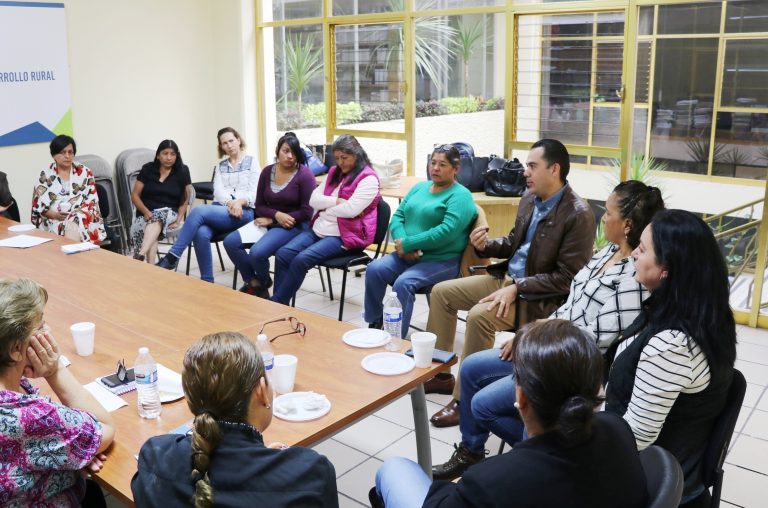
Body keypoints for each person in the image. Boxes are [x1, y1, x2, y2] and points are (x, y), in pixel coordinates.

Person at [431, 180, 665, 479]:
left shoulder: (634, 276)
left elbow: (596, 338)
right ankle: (471, 451)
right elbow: (573, 299)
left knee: (482, 405)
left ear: (628, 224)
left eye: (608, 213)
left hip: (565, 363)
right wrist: (535, 332)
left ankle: (550, 459)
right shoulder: (606, 252)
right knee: (472, 368)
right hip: (550, 338)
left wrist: (538, 338)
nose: (603, 218)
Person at [372, 320, 648, 508]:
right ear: (595, 386)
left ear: (520, 397)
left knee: (395, 468)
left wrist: (454, 491)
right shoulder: (618, 430)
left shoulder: (492, 481)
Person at [426, 139, 595, 427]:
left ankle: (464, 401)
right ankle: (441, 375)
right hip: (506, 281)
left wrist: (518, 288)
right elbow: (514, 243)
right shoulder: (530, 198)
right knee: (442, 292)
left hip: (537, 298)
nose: (525, 172)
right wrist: (486, 246)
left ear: (554, 169)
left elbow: (567, 278)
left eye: (532, 166)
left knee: (480, 317)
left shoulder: (578, 214)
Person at [605, 209, 737, 507]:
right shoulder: (705, 314)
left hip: (650, 480)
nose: (634, 255)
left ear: (666, 269)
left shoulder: (672, 344)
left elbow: (636, 436)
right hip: (669, 462)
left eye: (642, 249)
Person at [131, 331, 338, 507]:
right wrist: (271, 461)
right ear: (262, 392)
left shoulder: (155, 459)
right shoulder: (311, 474)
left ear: (191, 400)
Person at [0, 278, 115, 507]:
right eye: (41, 326)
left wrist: (70, 452)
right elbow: (105, 427)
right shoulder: (29, 417)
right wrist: (55, 371)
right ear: (15, 350)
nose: (49, 331)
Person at [363, 144, 476, 336]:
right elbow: (398, 216)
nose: (435, 168)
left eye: (442, 164)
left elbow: (446, 232)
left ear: (456, 169)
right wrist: (403, 244)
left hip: (441, 260)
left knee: (403, 284)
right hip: (405, 253)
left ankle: (396, 336)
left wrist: (408, 244)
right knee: (374, 269)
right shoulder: (420, 187)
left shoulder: (461, 196)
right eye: (433, 163)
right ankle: (375, 322)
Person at [271, 134, 381, 305]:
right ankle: (279, 304)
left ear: (357, 154)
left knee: (301, 260)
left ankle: (276, 303)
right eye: (337, 158)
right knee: (283, 254)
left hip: (344, 236)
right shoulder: (334, 172)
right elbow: (313, 200)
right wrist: (336, 202)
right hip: (319, 228)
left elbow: (351, 210)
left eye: (344, 158)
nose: (340, 162)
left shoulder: (369, 179)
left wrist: (326, 209)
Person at [156, 127, 258, 282]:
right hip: (223, 210)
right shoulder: (221, 166)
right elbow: (218, 191)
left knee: (198, 211)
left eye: (231, 140)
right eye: (224, 143)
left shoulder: (252, 162)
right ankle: (207, 282)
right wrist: (231, 203)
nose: (229, 146)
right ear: (221, 147)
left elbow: (255, 192)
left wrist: (240, 202)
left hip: (245, 212)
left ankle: (173, 256)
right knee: (201, 233)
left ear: (238, 139)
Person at [223, 132, 316, 298]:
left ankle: (262, 285)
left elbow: (307, 211)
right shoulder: (267, 172)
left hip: (293, 224)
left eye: (294, 153)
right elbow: (259, 205)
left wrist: (275, 218)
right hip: (268, 221)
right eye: (286, 151)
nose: (290, 156)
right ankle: (257, 282)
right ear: (277, 151)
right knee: (230, 242)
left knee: (257, 253)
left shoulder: (305, 175)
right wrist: (274, 216)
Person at [31, 134, 107, 244]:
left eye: (70, 152)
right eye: (63, 152)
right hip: (54, 220)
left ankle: (71, 254)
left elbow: (92, 202)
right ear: (54, 155)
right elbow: (38, 208)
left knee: (76, 219)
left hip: (83, 217)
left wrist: (75, 213)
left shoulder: (85, 173)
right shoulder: (45, 176)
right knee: (72, 222)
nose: (67, 156)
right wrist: (54, 215)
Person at [130, 139, 192, 262]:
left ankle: (140, 254)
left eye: (172, 154)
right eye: (165, 153)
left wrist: (179, 219)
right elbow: (135, 195)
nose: (169, 157)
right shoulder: (148, 169)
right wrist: (145, 211)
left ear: (177, 156)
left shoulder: (182, 170)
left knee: (158, 219)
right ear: (158, 155)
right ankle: (150, 268)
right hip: (146, 213)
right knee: (152, 228)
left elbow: (186, 198)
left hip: (170, 213)